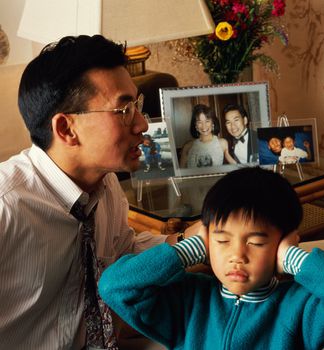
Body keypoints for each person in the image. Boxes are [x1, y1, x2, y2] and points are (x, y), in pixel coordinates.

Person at [0, 35, 191, 350]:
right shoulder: (8, 207)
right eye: (124, 110)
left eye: (137, 105)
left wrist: (192, 242)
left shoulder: (106, 185)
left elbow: (121, 253)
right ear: (66, 129)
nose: (143, 124)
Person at [98, 167, 324, 350]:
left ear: (283, 242)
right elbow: (115, 287)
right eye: (222, 241)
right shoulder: (190, 300)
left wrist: (292, 257)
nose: (237, 256)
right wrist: (192, 246)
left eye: (257, 242)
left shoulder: (298, 308)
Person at [180, 104, 236, 168]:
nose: (204, 126)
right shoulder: (188, 147)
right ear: (195, 126)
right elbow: (180, 175)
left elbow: (235, 165)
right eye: (199, 122)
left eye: (207, 121)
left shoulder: (222, 143)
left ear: (213, 123)